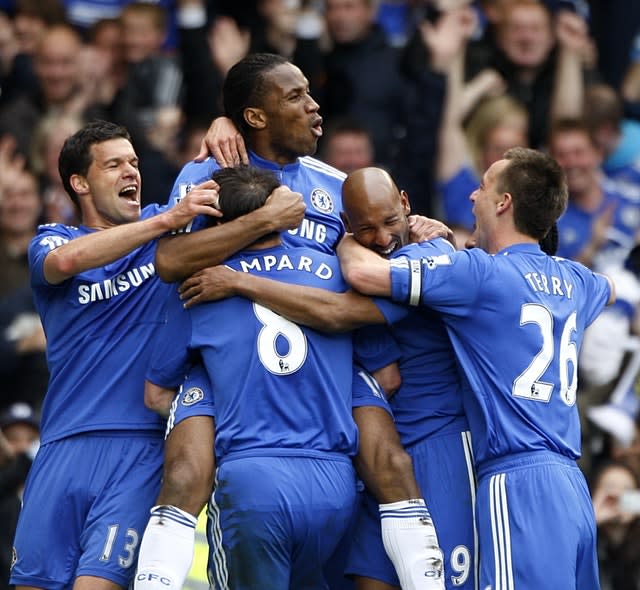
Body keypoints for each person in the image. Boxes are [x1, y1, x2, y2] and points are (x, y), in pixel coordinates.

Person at [135, 52, 448, 590]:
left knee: (389, 464)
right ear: (255, 117)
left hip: (329, 349)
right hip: (227, 350)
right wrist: (266, 219)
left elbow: (375, 252)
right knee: (186, 472)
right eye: (297, 96)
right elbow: (170, 261)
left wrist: (418, 235)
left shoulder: (335, 182)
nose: (314, 106)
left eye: (310, 93)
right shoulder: (206, 174)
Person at [183, 167, 478, 590]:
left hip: (431, 445)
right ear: (346, 224)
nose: (381, 237)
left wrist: (240, 283)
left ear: (407, 205)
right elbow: (382, 370)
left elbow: (344, 311)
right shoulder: (334, 266)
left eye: (391, 222)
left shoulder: (427, 254)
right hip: (354, 465)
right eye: (366, 228)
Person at [338, 147, 615, 589]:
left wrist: (349, 239)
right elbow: (611, 290)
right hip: (572, 486)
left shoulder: (478, 274)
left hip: (516, 482)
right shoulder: (578, 280)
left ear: (504, 203)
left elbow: (364, 276)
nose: (472, 196)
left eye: (483, 186)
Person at [8, 119, 225, 590]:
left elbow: (220, 157)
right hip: (61, 445)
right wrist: (163, 221)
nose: (131, 171)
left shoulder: (167, 230)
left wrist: (224, 119)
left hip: (138, 448)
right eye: (114, 164)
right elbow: (65, 264)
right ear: (80, 183)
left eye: (133, 162)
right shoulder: (53, 240)